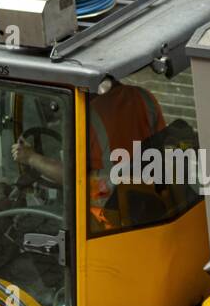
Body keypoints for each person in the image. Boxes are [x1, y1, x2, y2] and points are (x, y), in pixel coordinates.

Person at [11, 82, 165, 230]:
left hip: (106, 216)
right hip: (152, 199)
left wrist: (31, 158)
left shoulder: (84, 119)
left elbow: (70, 176)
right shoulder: (143, 97)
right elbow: (162, 145)